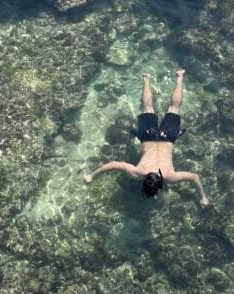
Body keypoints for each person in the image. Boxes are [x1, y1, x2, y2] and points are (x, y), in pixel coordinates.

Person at [83, 69, 209, 206]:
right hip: (148, 136)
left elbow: (194, 177)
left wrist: (203, 197)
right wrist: (91, 176)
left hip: (167, 137)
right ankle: (148, 79)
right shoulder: (140, 173)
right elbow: (114, 165)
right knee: (149, 107)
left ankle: (178, 77)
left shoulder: (166, 176)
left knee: (173, 108)